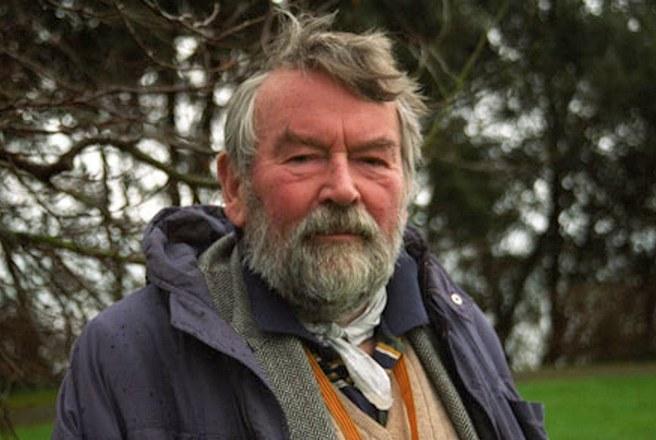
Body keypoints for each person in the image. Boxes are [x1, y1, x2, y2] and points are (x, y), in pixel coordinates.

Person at [53, 11, 546, 440]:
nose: (343, 189)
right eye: (304, 157)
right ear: (235, 186)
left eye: (373, 160)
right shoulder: (125, 355)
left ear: (407, 183)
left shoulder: (461, 328)